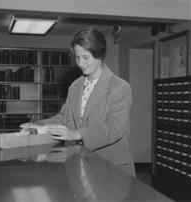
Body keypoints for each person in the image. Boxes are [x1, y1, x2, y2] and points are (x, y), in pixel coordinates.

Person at [35, 26, 136, 176]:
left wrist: (76, 134)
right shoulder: (75, 87)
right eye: (77, 57)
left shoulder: (120, 87)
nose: (80, 63)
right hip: (80, 165)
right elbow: (64, 118)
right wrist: (38, 125)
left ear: (100, 54)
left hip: (111, 169)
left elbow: (114, 129)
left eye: (86, 57)